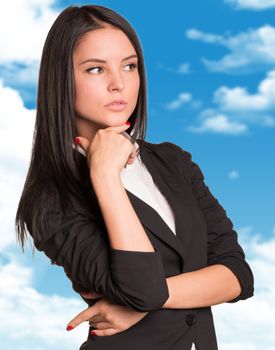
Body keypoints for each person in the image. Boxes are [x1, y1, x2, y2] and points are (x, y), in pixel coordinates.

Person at [14, 4, 254, 350]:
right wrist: (104, 176)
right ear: (61, 81)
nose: (119, 84)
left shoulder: (174, 162)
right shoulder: (50, 198)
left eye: (129, 66)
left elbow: (238, 275)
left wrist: (149, 302)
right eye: (96, 69)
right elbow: (143, 288)